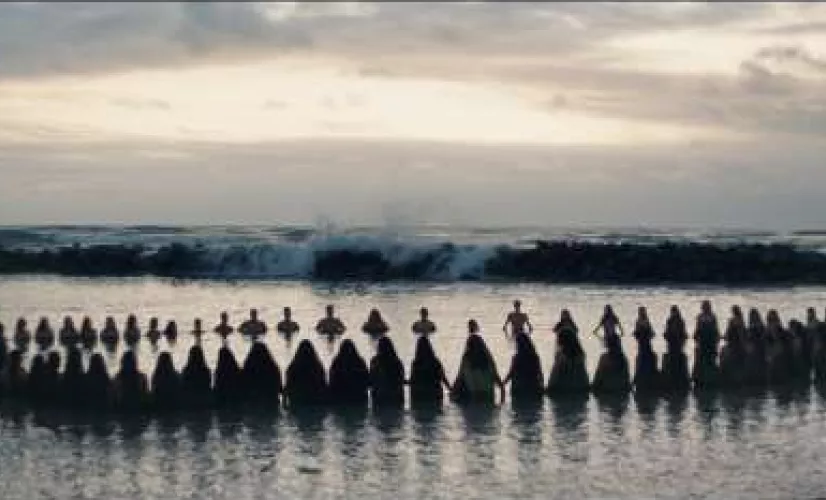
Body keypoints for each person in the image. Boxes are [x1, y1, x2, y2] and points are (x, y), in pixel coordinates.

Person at [452, 322, 504, 404]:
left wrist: (452, 393)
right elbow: (501, 387)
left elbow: (458, 379)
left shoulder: (466, 360)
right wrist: (501, 403)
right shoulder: (489, 362)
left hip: (473, 400)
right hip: (489, 399)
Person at [546, 309, 590, 397]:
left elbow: (576, 330)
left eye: (565, 314)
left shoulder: (571, 323)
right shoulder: (560, 323)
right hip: (566, 344)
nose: (564, 316)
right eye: (563, 314)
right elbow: (554, 330)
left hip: (567, 344)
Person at [592, 305, 631, 395]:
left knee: (612, 352)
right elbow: (620, 328)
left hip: (610, 337)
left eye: (606, 310)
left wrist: (596, 333)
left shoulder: (608, 318)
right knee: (615, 351)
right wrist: (621, 333)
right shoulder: (609, 318)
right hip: (611, 337)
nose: (606, 311)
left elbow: (619, 327)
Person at [409, 335, 451, 406]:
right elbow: (443, 377)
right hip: (434, 393)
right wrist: (450, 389)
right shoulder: (435, 361)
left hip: (420, 395)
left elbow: (412, 380)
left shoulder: (416, 363)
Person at [284, 340, 328, 407]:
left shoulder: (293, 368)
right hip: (315, 403)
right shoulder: (318, 368)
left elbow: (287, 387)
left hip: (297, 403)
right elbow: (324, 387)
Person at [503, 332, 544, 402]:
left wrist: (502, 384)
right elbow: (540, 374)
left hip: (519, 388)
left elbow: (510, 374)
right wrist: (542, 387)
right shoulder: (535, 357)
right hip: (534, 387)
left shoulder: (517, 358)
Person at [328, 339, 370, 406]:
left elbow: (332, 381)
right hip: (358, 398)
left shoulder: (337, 362)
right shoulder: (359, 362)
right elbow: (367, 380)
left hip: (340, 399)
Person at [241, 342, 284, 406]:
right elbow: (279, 388)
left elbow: (242, 388)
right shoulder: (272, 369)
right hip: (270, 405)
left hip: (252, 405)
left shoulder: (247, 369)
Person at [692, 301, 721, 390]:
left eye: (706, 306)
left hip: (710, 342)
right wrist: (696, 337)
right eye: (704, 306)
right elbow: (697, 329)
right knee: (702, 360)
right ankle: (701, 379)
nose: (705, 308)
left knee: (710, 360)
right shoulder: (700, 317)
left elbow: (715, 329)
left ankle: (710, 379)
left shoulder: (712, 317)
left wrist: (716, 339)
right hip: (703, 342)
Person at [661, 305, 690, 392]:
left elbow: (683, 333)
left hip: (678, 343)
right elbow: (667, 331)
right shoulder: (669, 320)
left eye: (674, 312)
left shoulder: (681, 321)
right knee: (671, 358)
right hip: (671, 343)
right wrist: (666, 335)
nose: (673, 313)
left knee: (678, 358)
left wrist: (682, 340)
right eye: (673, 312)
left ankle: (679, 378)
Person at [369, 336, 405, 407]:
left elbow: (372, 378)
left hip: (379, 397)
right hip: (395, 397)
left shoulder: (375, 361)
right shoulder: (396, 361)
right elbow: (401, 378)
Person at [632, 306, 660, 394]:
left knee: (648, 356)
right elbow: (637, 333)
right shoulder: (639, 321)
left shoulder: (645, 321)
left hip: (646, 344)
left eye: (642, 311)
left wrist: (646, 335)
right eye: (641, 311)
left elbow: (651, 332)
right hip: (643, 344)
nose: (641, 313)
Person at [720, 305, 748, 388]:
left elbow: (730, 334)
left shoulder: (734, 321)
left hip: (734, 346)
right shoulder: (741, 320)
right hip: (736, 345)